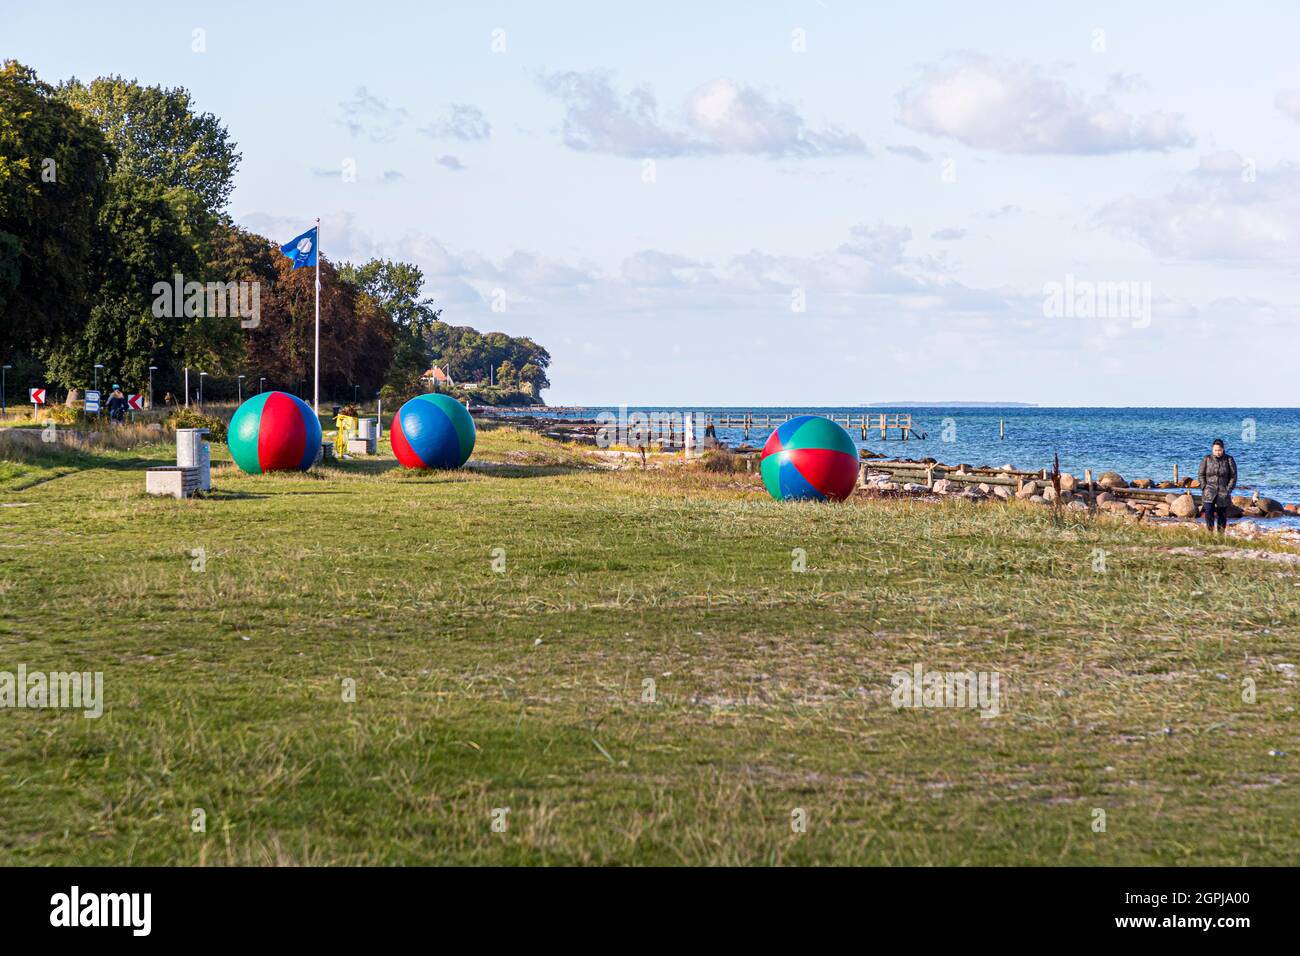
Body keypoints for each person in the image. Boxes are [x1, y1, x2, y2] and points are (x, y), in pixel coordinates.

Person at [1197, 438, 1237, 533]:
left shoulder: (1229, 459)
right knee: (1209, 511)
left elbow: (1233, 476)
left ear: (1223, 449)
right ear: (1212, 450)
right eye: (1215, 450)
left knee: (1222, 514)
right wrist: (1204, 487)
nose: (1217, 452)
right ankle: (1210, 532)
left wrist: (1228, 489)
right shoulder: (1206, 459)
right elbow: (1201, 474)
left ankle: (1220, 534)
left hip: (1223, 490)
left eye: (1219, 450)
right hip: (1209, 490)